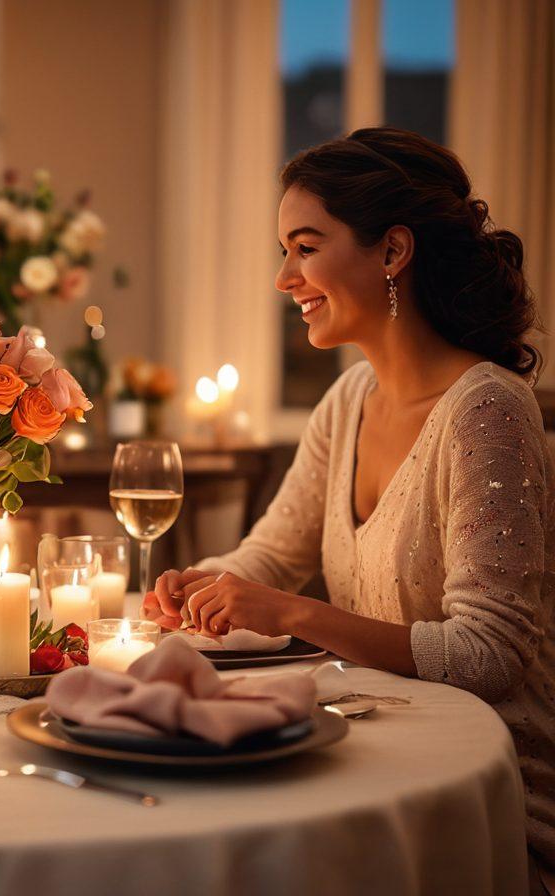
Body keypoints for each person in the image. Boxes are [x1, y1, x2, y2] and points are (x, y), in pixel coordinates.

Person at [144, 127, 554, 888]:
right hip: (372, 757)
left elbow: (491, 655)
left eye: (305, 247)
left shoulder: (486, 411)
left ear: (392, 252)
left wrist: (291, 613)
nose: (283, 278)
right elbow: (271, 556)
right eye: (284, 250)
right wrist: (203, 583)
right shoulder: (350, 398)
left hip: (485, 796)